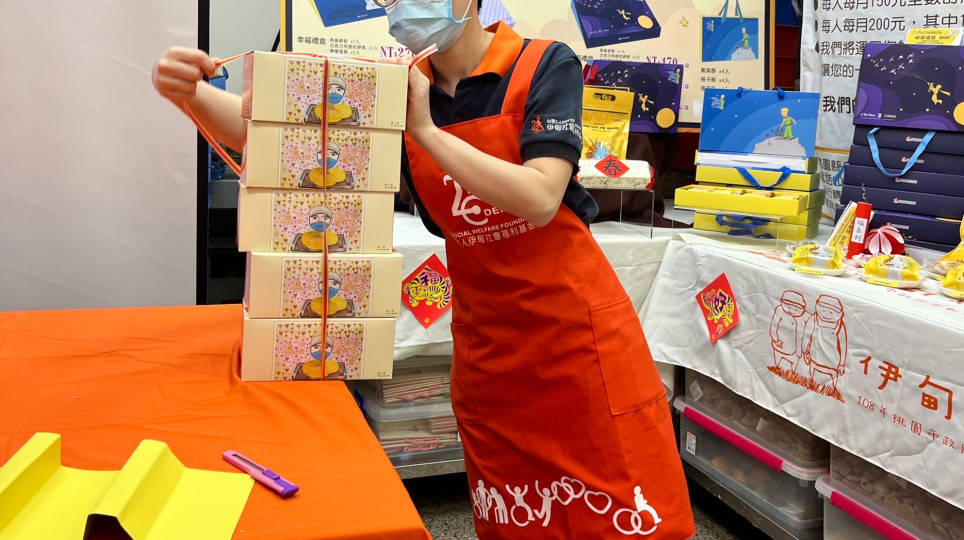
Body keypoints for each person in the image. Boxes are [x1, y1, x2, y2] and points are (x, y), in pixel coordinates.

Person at [152, 0, 695, 537]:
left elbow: (540, 196)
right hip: (488, 348)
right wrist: (191, 90)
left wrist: (427, 132)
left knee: (620, 509)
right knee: (519, 519)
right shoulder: (400, 87)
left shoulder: (544, 63)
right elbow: (277, 134)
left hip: (576, 342)